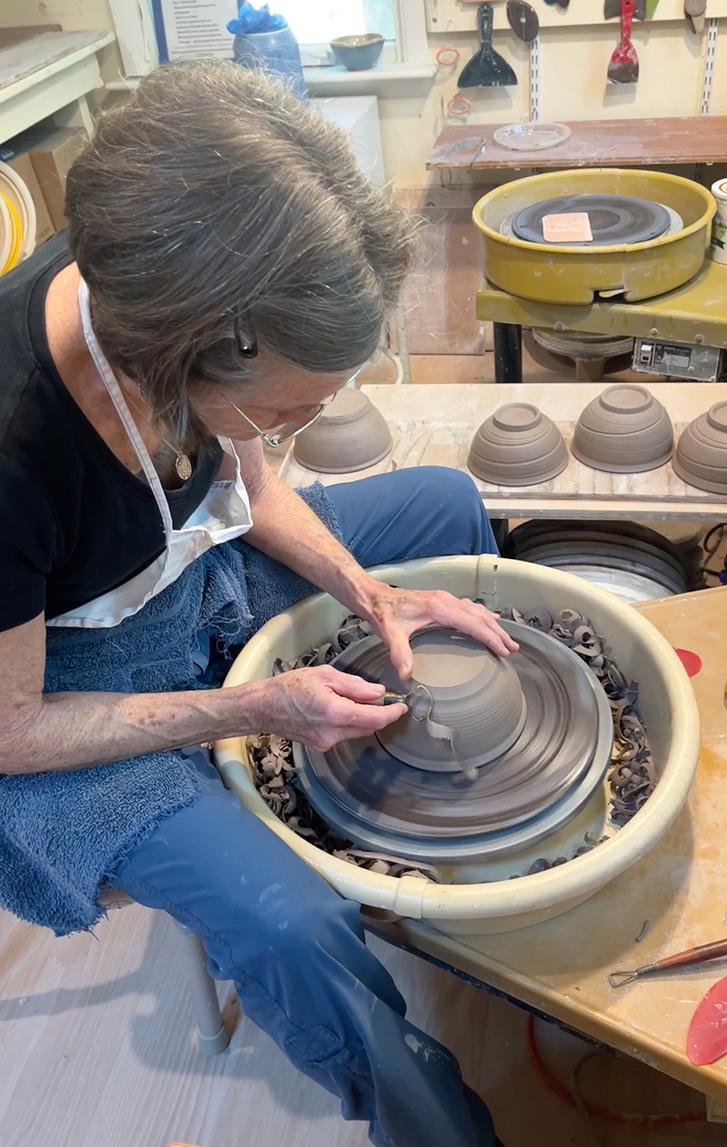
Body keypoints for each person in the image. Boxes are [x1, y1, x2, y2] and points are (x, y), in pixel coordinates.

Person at [0, 61, 515, 1147]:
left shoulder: (157, 277)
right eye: (292, 408)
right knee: (291, 923)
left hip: (195, 574)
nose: (297, 426)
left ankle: (462, 853)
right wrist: (253, 708)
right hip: (64, 694)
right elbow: (11, 728)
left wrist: (370, 594)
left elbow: (244, 470)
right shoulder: (13, 449)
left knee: (447, 501)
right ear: (183, 356)